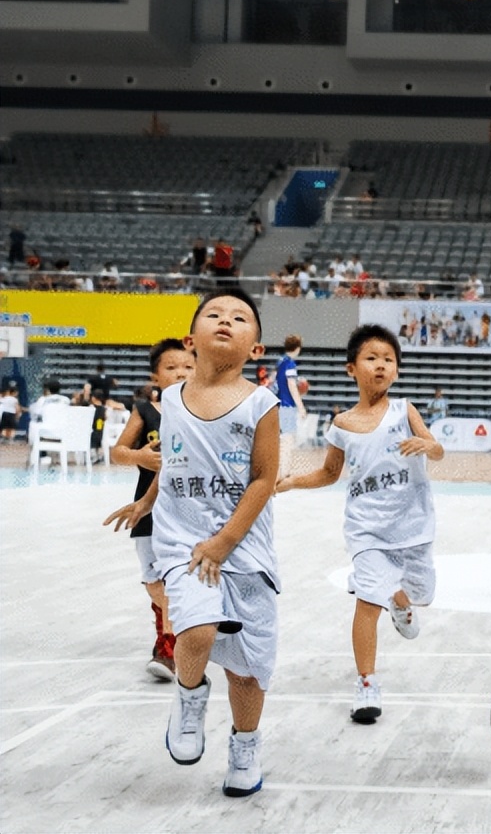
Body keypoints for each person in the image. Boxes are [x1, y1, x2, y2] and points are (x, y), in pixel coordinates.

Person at [104, 287, 279, 797]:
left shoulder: (262, 403)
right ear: (191, 338)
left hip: (244, 547)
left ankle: (245, 747)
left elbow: (264, 479)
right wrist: (148, 502)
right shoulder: (171, 399)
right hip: (184, 542)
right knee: (196, 630)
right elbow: (177, 460)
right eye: (215, 314)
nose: (226, 320)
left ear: (256, 349)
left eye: (241, 318)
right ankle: (189, 694)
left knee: (248, 674)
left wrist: (226, 540)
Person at [276, 325, 444, 724]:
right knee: (366, 603)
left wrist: (429, 446)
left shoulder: (406, 411)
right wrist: (290, 482)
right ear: (352, 368)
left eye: (388, 360)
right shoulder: (342, 424)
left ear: (397, 371)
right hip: (366, 529)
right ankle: (366, 684)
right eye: (372, 358)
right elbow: (329, 473)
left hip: (413, 526)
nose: (381, 366)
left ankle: (399, 598)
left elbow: (437, 450)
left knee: (422, 595)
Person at [109, 338, 196, 680]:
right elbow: (118, 451)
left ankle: (168, 646)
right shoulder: (145, 411)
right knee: (154, 581)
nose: (180, 373)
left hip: (190, 507)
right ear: (155, 376)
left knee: (181, 577)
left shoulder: (203, 412)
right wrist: (138, 457)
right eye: (171, 368)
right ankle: (173, 636)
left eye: (188, 367)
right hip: (148, 506)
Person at [274, 335, 306, 481]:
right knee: (287, 439)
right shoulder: (291, 364)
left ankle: (280, 470)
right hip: (287, 405)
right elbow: (292, 386)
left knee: (281, 439)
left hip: (279, 403)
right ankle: (283, 472)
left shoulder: (280, 361)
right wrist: (301, 407)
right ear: (298, 348)